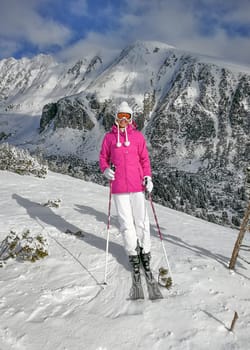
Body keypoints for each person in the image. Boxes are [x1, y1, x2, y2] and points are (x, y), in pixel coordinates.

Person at [99, 101, 162, 299]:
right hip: (118, 189)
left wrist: (148, 177)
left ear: (131, 119)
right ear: (116, 118)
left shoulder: (137, 137)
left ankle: (146, 254)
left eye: (127, 117)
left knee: (142, 222)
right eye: (120, 117)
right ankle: (133, 256)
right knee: (126, 224)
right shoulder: (109, 138)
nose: (123, 120)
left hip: (137, 187)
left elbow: (145, 160)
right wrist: (106, 170)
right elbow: (103, 158)